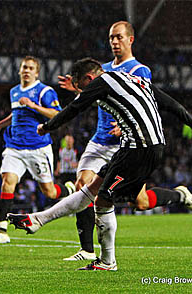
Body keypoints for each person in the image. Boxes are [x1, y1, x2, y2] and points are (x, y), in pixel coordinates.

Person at [8, 58, 192, 271]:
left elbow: (74, 109)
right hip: (141, 146)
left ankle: (107, 261)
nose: (85, 92)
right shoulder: (134, 80)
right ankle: (37, 220)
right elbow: (170, 103)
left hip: (140, 148)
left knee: (103, 201)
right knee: (94, 189)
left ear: (89, 78)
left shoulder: (101, 82)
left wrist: (47, 127)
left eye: (82, 87)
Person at [58, 21, 153, 261]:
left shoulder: (140, 70)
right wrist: (79, 90)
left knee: (140, 202)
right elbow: (93, 98)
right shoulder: (103, 69)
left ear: (130, 40)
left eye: (119, 37)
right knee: (83, 184)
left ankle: (180, 196)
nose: (114, 42)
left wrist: (126, 128)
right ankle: (87, 250)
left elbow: (148, 105)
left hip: (126, 144)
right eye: (111, 38)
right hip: (100, 141)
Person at [0, 56, 75, 244]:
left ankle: (69, 190)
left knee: (49, 192)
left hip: (38, 148)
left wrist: (34, 105)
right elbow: (16, 114)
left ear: (37, 72)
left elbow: (58, 114)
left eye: (31, 68)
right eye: (24, 67)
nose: (26, 70)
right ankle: (1, 231)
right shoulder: (14, 92)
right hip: (15, 147)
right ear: (19, 70)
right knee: (7, 181)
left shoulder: (45, 91)